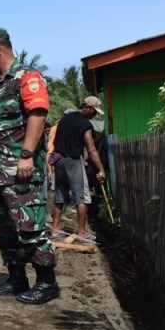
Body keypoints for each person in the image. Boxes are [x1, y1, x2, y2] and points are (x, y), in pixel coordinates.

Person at [0, 28, 59, 304]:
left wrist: (27, 154)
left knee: (30, 227)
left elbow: (38, 114)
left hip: (21, 171)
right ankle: (16, 278)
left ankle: (47, 282)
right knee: (4, 229)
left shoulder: (27, 78)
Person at [50, 97, 106, 241]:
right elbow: (91, 148)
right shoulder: (85, 124)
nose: (94, 115)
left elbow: (56, 142)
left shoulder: (64, 120)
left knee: (59, 198)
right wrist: (100, 169)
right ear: (87, 108)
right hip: (73, 162)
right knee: (82, 197)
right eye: (94, 111)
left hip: (59, 161)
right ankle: (81, 233)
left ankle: (55, 231)